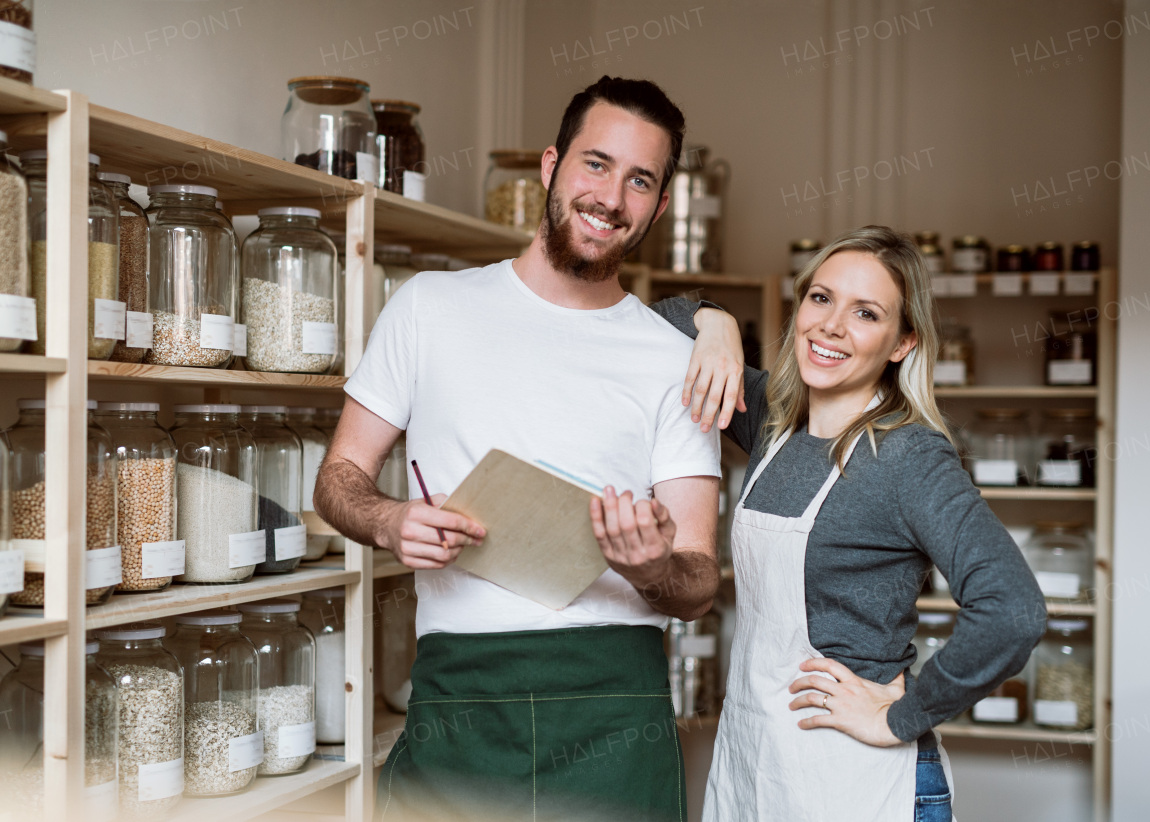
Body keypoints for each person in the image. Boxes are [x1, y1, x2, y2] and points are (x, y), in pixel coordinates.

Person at [314, 76, 724, 822]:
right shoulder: (429, 310)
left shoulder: (675, 362)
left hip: (615, 714)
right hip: (460, 698)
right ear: (551, 166)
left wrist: (651, 567)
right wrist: (386, 521)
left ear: (659, 206)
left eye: (640, 180)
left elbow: (697, 585)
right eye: (595, 164)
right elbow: (339, 476)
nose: (611, 197)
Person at [653, 226, 1048, 821]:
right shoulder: (767, 418)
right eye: (820, 297)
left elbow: (1014, 610)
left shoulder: (907, 457)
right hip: (757, 764)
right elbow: (654, 318)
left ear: (902, 343)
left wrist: (901, 715)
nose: (831, 325)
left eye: (865, 312)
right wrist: (719, 325)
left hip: (857, 780)